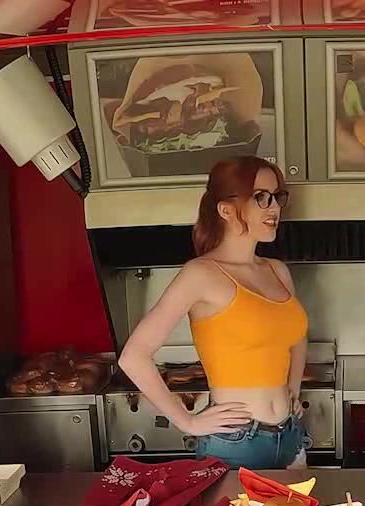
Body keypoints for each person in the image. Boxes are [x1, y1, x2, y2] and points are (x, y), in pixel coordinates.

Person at [117, 156, 309, 470]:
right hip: (236, 443)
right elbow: (133, 357)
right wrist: (187, 421)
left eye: (277, 197)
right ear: (226, 210)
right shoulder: (201, 274)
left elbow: (297, 337)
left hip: (290, 435)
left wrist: (294, 390)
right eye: (261, 197)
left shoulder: (278, 271)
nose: (274, 207)